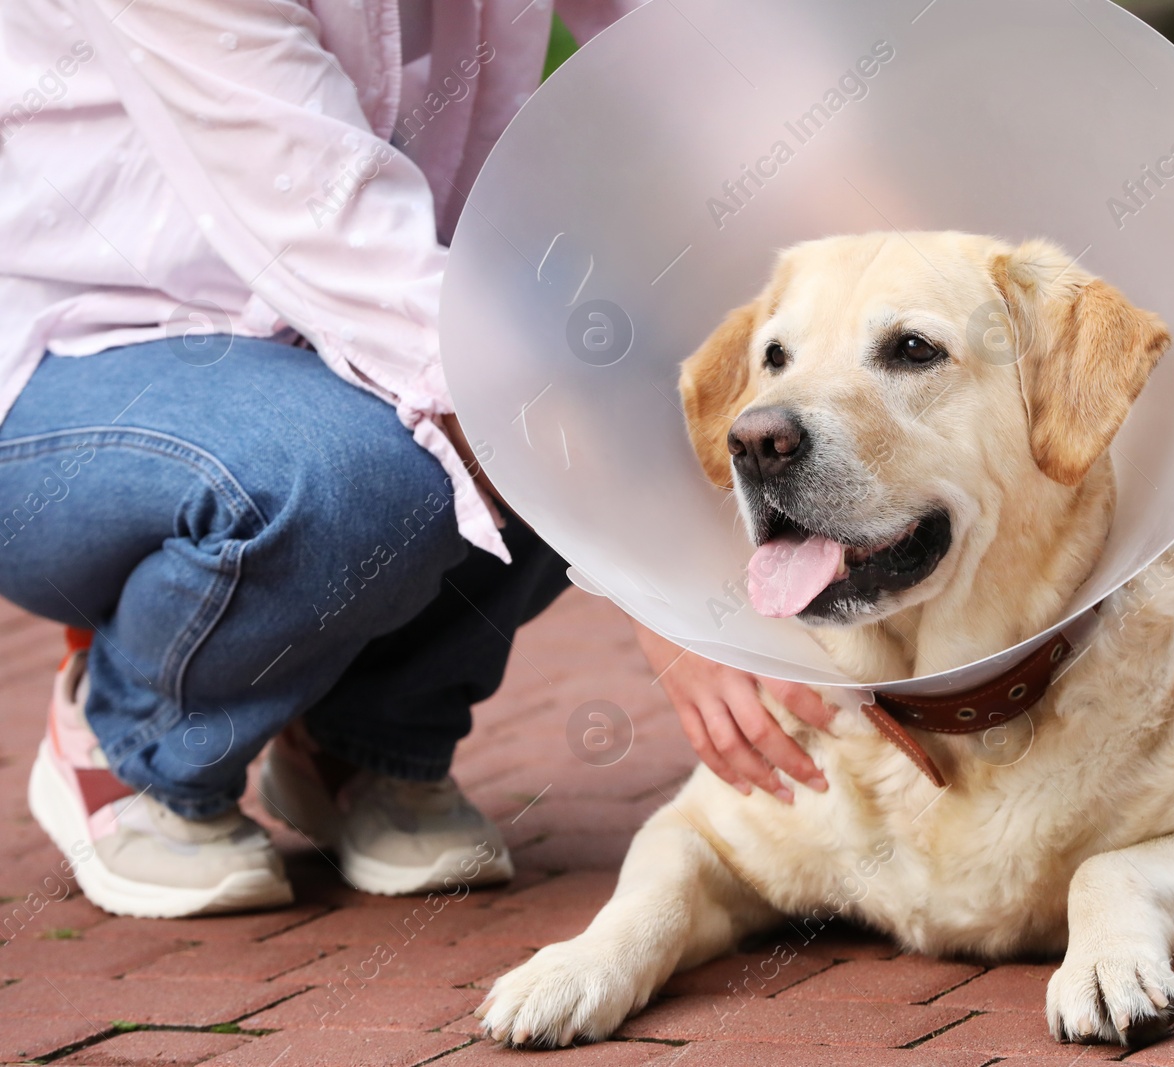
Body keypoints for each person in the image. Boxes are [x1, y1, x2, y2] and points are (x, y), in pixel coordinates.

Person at [1, 0, 832, 919]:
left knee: (623, 339)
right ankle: (135, 739)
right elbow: (362, 265)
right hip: (80, 353)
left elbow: (704, 53)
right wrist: (654, 579)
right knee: (379, 469)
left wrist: (884, 230)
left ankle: (367, 737)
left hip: (348, 320)